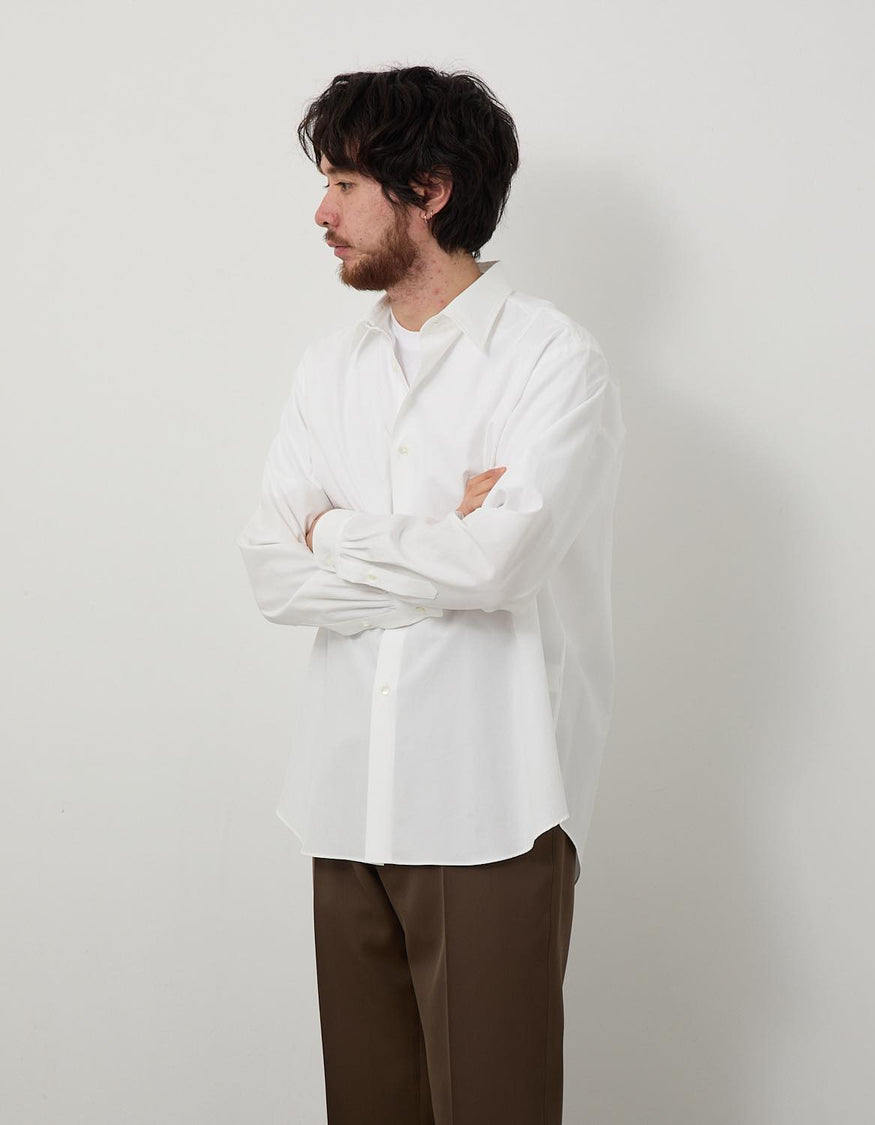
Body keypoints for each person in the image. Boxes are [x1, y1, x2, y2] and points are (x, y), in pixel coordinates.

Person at [236, 64, 626, 1125]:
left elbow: (501, 568)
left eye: (344, 184)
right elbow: (270, 569)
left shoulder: (552, 362)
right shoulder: (329, 369)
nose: (321, 214)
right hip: (343, 799)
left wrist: (337, 532)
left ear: (431, 191)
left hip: (490, 802)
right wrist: (437, 549)